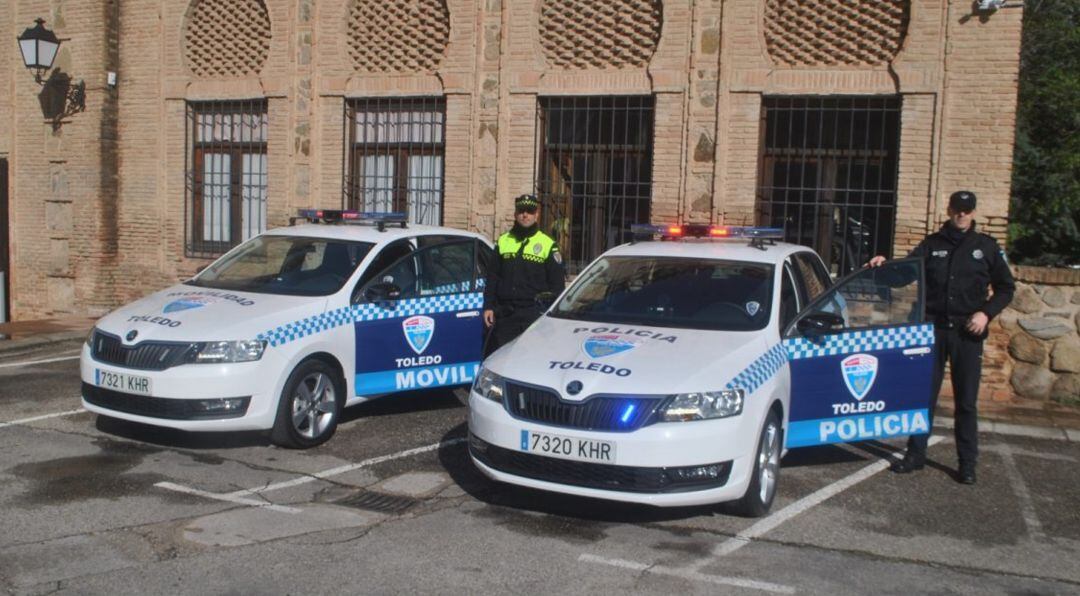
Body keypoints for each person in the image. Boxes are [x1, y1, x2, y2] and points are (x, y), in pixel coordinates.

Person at [868, 190, 1014, 484]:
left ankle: (967, 463)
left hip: (967, 332)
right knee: (923, 396)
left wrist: (985, 314)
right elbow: (904, 275)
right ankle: (916, 455)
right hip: (933, 330)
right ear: (948, 210)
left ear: (973, 212)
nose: (961, 214)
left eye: (967, 210)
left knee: (966, 402)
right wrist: (882, 267)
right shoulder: (932, 244)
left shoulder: (986, 247)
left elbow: (1006, 288)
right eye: (957, 208)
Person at [483, 194, 566, 354]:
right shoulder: (503, 241)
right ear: (515, 214)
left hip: (534, 316)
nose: (525, 215)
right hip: (506, 315)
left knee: (531, 358)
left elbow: (557, 286)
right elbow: (493, 277)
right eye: (521, 211)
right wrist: (488, 306)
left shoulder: (548, 244)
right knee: (502, 359)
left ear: (537, 214)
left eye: (530, 211)